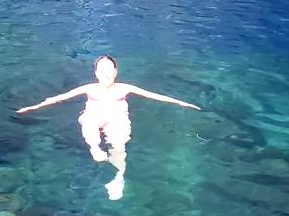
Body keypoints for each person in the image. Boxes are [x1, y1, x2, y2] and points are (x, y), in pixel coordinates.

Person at [17, 55, 201, 200]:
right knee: (88, 122)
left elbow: (155, 96)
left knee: (119, 146)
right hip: (94, 116)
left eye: (109, 70)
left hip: (116, 119)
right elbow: (60, 98)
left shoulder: (124, 88)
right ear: (96, 73)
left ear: (116, 72)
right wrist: (33, 107)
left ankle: (118, 177)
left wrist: (182, 103)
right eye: (102, 70)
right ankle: (94, 148)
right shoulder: (89, 89)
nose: (106, 73)